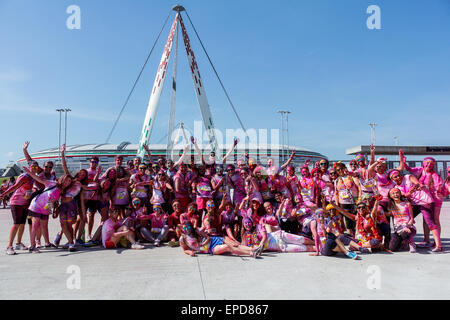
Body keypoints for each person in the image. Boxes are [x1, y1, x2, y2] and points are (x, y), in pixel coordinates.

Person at [23, 166, 73, 253]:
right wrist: (29, 172)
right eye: (66, 180)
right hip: (36, 206)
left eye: (69, 181)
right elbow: (38, 179)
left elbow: (53, 201)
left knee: (45, 226)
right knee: (35, 225)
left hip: (46, 209)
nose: (67, 182)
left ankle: (47, 243)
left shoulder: (63, 191)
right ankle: (32, 246)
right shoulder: (52, 183)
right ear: (62, 179)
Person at [0, 160, 39, 255]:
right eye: (33, 167)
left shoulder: (34, 178)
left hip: (25, 203)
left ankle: (18, 243)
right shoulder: (24, 176)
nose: (34, 169)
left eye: (36, 167)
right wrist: (4, 194)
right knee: (16, 224)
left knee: (22, 224)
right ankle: (9, 246)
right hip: (16, 202)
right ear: (29, 167)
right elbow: (15, 186)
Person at [180, 221, 258, 257]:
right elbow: (184, 250)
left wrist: (203, 244)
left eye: (188, 227)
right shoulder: (182, 239)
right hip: (210, 249)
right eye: (184, 228)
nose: (187, 229)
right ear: (182, 229)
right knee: (228, 247)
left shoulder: (196, 230)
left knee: (235, 244)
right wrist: (190, 252)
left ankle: (252, 249)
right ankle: (250, 253)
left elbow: (208, 237)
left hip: (214, 240)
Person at [386, 188, 416, 252]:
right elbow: (389, 214)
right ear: (390, 196)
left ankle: (412, 244)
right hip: (398, 229)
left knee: (406, 232)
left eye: (397, 193)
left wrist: (408, 225)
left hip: (409, 228)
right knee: (392, 248)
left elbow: (412, 218)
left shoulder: (407, 204)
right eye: (393, 193)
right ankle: (403, 243)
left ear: (400, 194)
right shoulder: (391, 205)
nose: (395, 194)